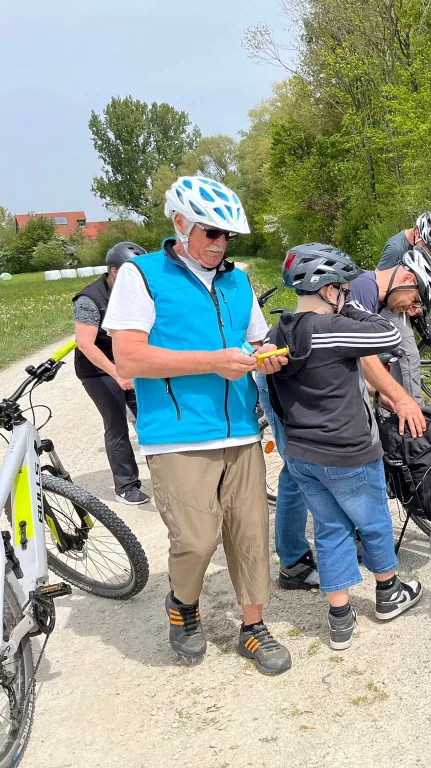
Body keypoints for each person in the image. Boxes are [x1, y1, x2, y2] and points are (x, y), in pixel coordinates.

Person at [105, 175, 293, 675]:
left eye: (227, 236)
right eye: (210, 232)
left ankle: (252, 628)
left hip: (241, 430)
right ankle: (183, 605)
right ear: (180, 222)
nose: (219, 244)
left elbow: (254, 340)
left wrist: (265, 357)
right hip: (178, 433)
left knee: (251, 534)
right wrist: (212, 361)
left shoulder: (237, 279)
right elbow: (128, 358)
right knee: (196, 540)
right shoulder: (141, 275)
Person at [267, 244, 426, 651]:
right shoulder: (330, 327)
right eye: (342, 287)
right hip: (348, 449)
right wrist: (352, 307)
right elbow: (389, 335)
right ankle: (388, 593)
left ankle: (340, 619)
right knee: (372, 520)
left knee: (330, 529)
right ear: (328, 288)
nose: (345, 294)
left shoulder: (279, 331)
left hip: (302, 452)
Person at [73, 242, 149, 505]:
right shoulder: (89, 299)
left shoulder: (138, 293)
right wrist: (118, 374)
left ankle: (167, 478)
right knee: (116, 424)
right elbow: (85, 344)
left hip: (131, 363)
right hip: (98, 370)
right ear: (114, 271)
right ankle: (126, 487)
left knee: (150, 419)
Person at [348, 244, 431, 406]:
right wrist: (401, 399)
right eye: (415, 300)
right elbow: (360, 356)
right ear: (406, 279)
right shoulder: (364, 288)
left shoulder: (373, 295)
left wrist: (381, 393)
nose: (411, 309)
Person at [255, 373, 320, 591]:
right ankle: (294, 563)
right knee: (297, 471)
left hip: (312, 380)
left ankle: (296, 560)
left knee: (305, 468)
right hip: (284, 382)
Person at [375, 212, 431, 403]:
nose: (427, 251)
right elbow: (380, 284)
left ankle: (396, 403)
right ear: (416, 232)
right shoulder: (395, 248)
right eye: (426, 245)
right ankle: (416, 407)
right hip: (387, 309)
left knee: (400, 359)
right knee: (410, 356)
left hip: (401, 307)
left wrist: (415, 304)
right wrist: (405, 305)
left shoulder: (416, 246)